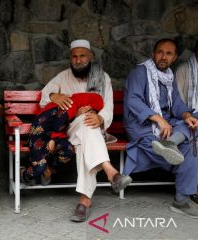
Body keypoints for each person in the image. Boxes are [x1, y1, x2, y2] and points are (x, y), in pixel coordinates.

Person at [40, 39, 132, 222]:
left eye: (82, 56)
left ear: (90, 57)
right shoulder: (62, 77)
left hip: (94, 130)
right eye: (74, 56)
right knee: (83, 122)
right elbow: (44, 98)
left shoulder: (102, 77)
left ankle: (85, 200)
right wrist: (54, 96)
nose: (78, 60)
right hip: (69, 128)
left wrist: (100, 117)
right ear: (70, 58)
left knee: (86, 137)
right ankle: (110, 171)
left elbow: (109, 107)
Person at [123, 38, 198, 219]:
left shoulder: (169, 76)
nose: (163, 57)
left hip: (169, 129)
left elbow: (177, 104)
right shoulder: (140, 72)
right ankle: (182, 200)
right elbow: (133, 100)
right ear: (153, 54)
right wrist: (158, 120)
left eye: (168, 53)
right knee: (188, 146)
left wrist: (187, 116)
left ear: (175, 57)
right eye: (160, 52)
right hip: (144, 127)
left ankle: (171, 142)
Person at [26, 93, 104, 186]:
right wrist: (53, 140)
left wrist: (54, 140)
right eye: (92, 112)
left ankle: (49, 169)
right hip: (39, 135)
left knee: (68, 151)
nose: (90, 115)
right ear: (87, 107)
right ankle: (25, 174)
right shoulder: (68, 105)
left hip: (54, 136)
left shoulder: (74, 110)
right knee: (39, 168)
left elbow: (62, 128)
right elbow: (57, 126)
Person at [176, 31, 198, 207]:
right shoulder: (184, 70)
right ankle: (197, 183)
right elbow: (179, 103)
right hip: (190, 122)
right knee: (194, 142)